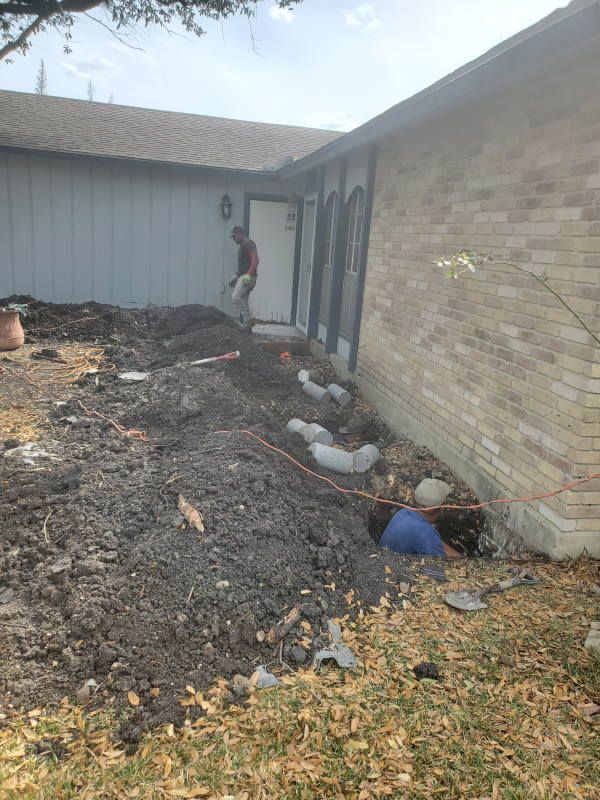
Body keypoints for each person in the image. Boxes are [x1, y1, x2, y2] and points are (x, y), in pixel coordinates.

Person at [379, 478, 462, 558]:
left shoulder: (403, 513)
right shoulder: (425, 533)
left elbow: (435, 543)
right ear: (442, 507)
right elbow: (447, 565)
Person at [229, 225, 259, 329]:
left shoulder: (248, 243)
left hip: (248, 277)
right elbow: (244, 264)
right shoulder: (243, 244)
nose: (233, 239)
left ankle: (248, 321)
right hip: (245, 275)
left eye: (234, 236)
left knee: (236, 297)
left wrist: (248, 275)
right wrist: (236, 275)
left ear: (239, 233)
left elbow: (255, 260)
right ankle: (248, 329)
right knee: (244, 301)